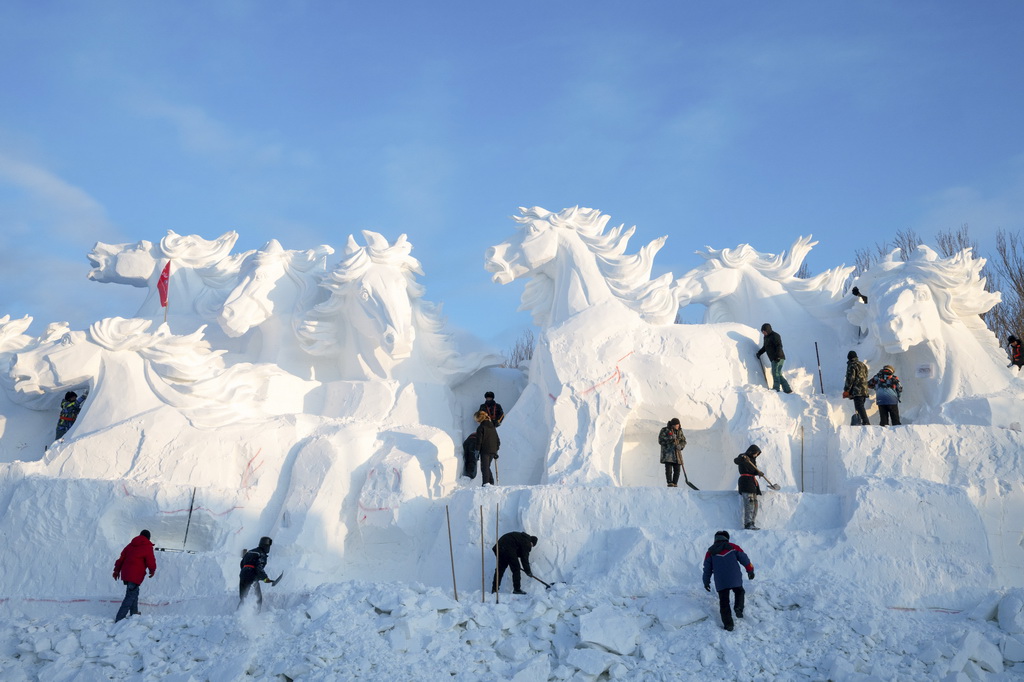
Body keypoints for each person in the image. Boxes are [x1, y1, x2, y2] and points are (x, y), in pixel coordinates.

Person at [702, 530, 755, 632]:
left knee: (724, 602)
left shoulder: (710, 552)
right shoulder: (733, 547)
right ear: (726, 538)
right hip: (734, 577)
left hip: (721, 581)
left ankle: (728, 624)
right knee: (739, 591)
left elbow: (707, 569)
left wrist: (706, 582)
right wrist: (750, 570)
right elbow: (744, 558)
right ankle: (738, 607)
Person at [112, 529, 156, 622]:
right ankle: (119, 617)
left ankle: (134, 612)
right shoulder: (147, 546)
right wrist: (152, 570)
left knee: (134, 592)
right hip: (135, 575)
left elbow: (121, 559)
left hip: (126, 573)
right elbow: (150, 561)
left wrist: (116, 571)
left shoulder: (130, 545)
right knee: (130, 595)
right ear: (148, 538)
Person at [239, 536, 274, 611]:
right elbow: (259, 567)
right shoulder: (261, 554)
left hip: (243, 574)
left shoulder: (250, 552)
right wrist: (265, 578)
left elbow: (242, 564)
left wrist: (246, 572)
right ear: (265, 546)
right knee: (257, 598)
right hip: (251, 576)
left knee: (243, 597)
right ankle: (255, 615)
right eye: (268, 546)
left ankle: (238, 615)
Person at [755, 324, 793, 394]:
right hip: (774, 358)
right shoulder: (766, 337)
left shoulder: (775, 335)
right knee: (778, 374)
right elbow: (765, 347)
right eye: (762, 332)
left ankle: (776, 389)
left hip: (779, 357)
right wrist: (759, 353)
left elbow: (779, 346)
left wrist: (778, 356)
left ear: (768, 330)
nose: (763, 333)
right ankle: (787, 389)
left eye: (764, 331)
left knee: (775, 373)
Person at [734, 445, 763, 530]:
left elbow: (753, 471)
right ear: (752, 451)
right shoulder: (743, 456)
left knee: (755, 505)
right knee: (749, 504)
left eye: (757, 454)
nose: (756, 455)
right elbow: (736, 461)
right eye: (755, 453)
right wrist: (743, 458)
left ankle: (752, 522)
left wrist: (758, 473)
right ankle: (748, 524)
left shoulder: (753, 460)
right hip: (745, 482)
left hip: (752, 483)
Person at [843, 350, 870, 426]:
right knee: (860, 406)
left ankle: (865, 421)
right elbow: (866, 375)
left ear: (849, 358)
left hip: (857, 390)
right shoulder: (863, 365)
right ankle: (860, 421)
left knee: (859, 406)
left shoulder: (852, 365)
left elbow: (850, 378)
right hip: (864, 389)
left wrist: (846, 390)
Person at [658, 418, 687, 488]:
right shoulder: (664, 430)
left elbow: (684, 440)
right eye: (676, 425)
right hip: (668, 454)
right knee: (669, 469)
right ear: (672, 425)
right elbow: (660, 441)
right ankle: (670, 483)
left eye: (678, 425)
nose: (677, 426)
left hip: (677, 454)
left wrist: (681, 446)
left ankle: (675, 483)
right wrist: (671, 438)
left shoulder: (680, 431)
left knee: (677, 469)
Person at [475, 410, 500, 486]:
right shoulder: (492, 427)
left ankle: (486, 483)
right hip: (493, 450)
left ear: (479, 419)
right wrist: (496, 451)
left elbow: (479, 441)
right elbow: (497, 440)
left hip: (485, 450)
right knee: (487, 467)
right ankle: (490, 482)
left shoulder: (481, 428)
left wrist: (477, 451)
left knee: (484, 467)